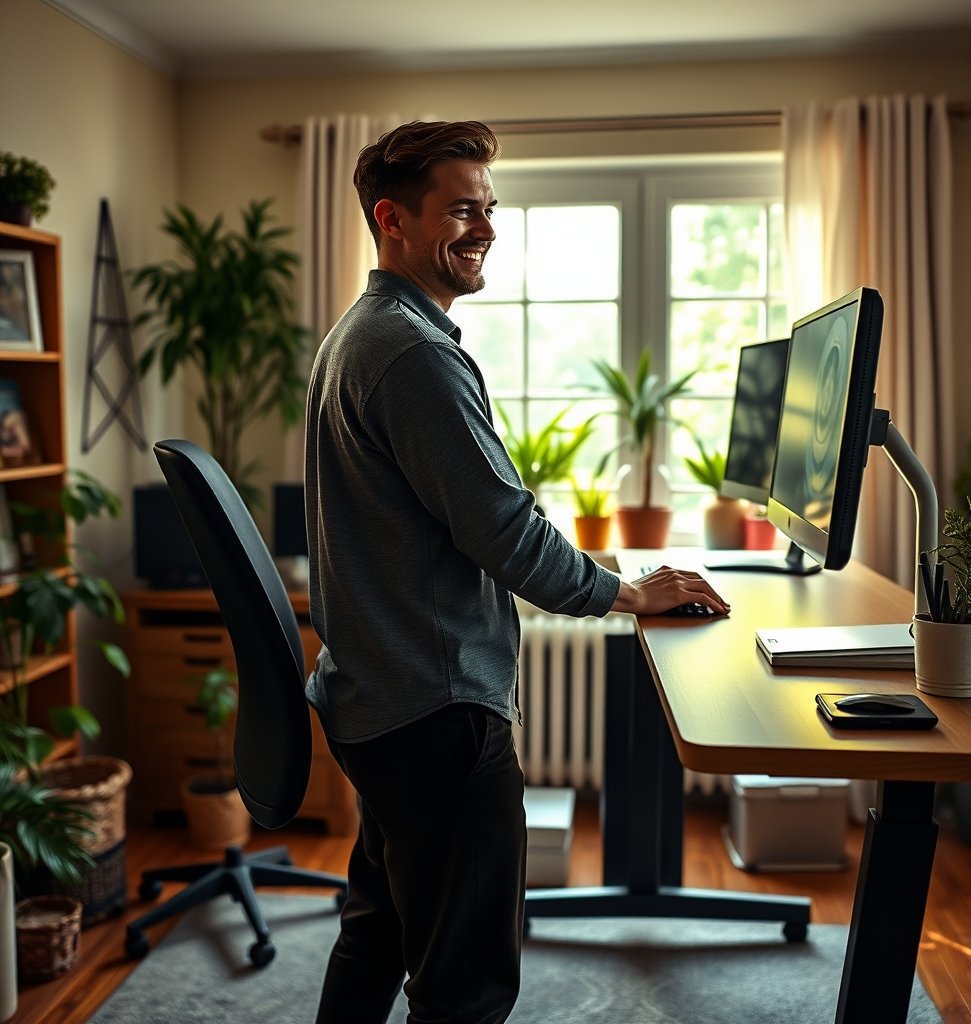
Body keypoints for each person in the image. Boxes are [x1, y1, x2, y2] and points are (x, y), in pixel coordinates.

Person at [304, 119, 730, 1024]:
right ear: (394, 220)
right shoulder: (414, 354)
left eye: (489, 208)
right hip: (436, 711)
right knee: (466, 986)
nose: (486, 228)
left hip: (380, 700)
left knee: (378, 932)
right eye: (462, 210)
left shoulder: (363, 333)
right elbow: (506, 533)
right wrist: (627, 592)